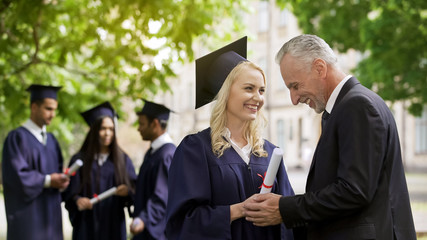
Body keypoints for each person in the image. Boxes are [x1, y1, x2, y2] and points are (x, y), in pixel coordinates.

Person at [244, 34, 417, 239]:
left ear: (320, 68)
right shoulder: (344, 108)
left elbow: (354, 191)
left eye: (295, 86)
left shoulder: (357, 106)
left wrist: (284, 208)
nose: (294, 99)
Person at [166, 37, 295, 240]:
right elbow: (182, 222)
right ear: (225, 93)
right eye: (249, 88)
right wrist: (239, 210)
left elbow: (290, 219)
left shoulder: (270, 153)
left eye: (261, 90)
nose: (258, 98)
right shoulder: (195, 150)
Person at [2, 84, 69, 240]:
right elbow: (16, 177)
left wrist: (62, 181)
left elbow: (58, 172)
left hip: (52, 219)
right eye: (48, 109)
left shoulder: (52, 140)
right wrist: (47, 180)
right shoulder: (16, 138)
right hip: (28, 219)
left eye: (54, 109)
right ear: (34, 107)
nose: (53, 114)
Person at [62, 101, 137, 240]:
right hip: (86, 226)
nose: (107, 133)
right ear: (94, 130)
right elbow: (68, 193)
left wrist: (127, 192)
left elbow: (135, 189)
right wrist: (77, 200)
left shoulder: (122, 160)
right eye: (102, 128)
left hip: (113, 224)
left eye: (111, 129)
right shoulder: (79, 160)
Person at [130, 99, 176, 240]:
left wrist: (143, 219)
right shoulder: (153, 152)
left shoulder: (167, 155)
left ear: (155, 124)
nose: (138, 128)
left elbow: (162, 196)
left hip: (157, 233)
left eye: (142, 124)